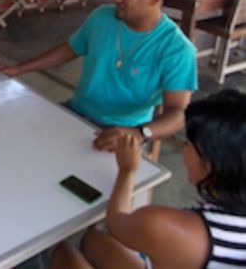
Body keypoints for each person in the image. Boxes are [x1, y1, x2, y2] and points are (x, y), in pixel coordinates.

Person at [0, 0, 197, 151]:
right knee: (19, 142)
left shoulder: (176, 49)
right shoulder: (102, 17)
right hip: (76, 112)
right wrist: (19, 68)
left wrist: (141, 133)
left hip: (124, 130)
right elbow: (69, 49)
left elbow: (178, 113)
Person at [50, 89, 246, 268]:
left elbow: (116, 223)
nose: (183, 151)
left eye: (188, 145)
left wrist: (127, 170)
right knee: (94, 241)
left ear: (210, 162)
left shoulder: (165, 225)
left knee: (63, 252)